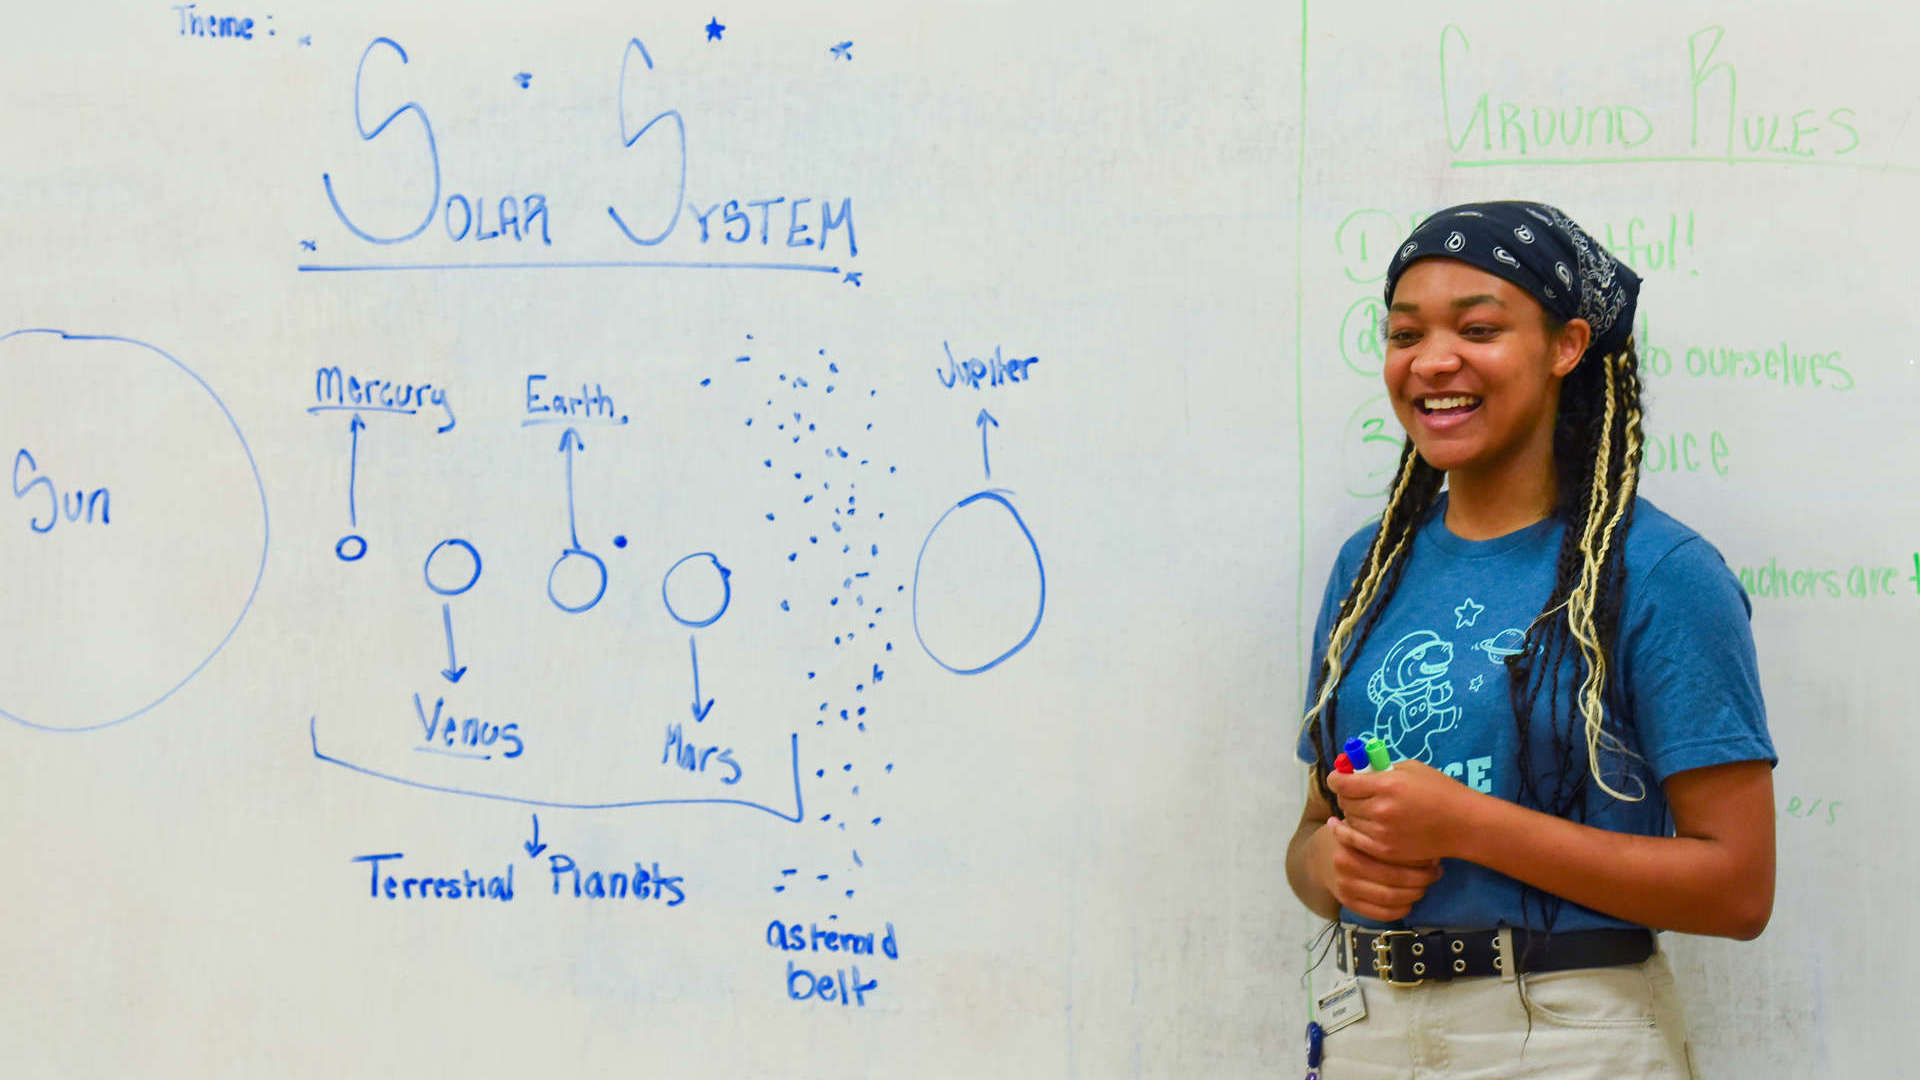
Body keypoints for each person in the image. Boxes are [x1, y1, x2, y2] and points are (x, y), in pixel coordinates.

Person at [1284, 201, 1776, 1078]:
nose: (1433, 361)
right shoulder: (1369, 567)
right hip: (1366, 1029)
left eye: (1478, 328)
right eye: (1405, 334)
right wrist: (1331, 866)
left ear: (1566, 346)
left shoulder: (1660, 573)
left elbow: (1738, 889)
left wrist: (1467, 824)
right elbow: (1318, 823)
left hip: (1564, 1037)